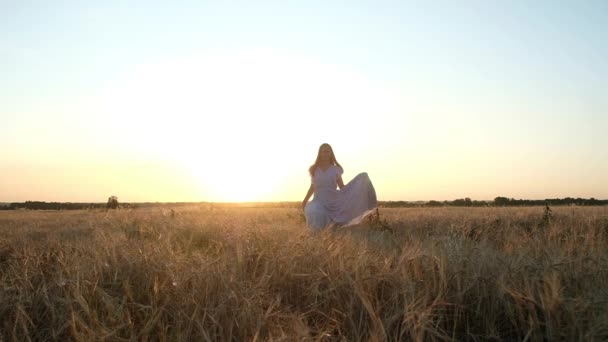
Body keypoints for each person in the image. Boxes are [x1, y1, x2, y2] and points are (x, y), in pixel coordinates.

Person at [301, 143, 377, 230]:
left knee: (332, 218)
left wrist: (354, 190)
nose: (324, 154)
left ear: (331, 153)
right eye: (322, 151)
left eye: (327, 151)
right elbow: (313, 187)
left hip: (333, 200)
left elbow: (342, 187)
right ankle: (316, 236)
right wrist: (305, 200)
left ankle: (329, 232)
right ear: (319, 154)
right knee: (314, 211)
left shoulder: (335, 169)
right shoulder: (314, 169)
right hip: (319, 200)